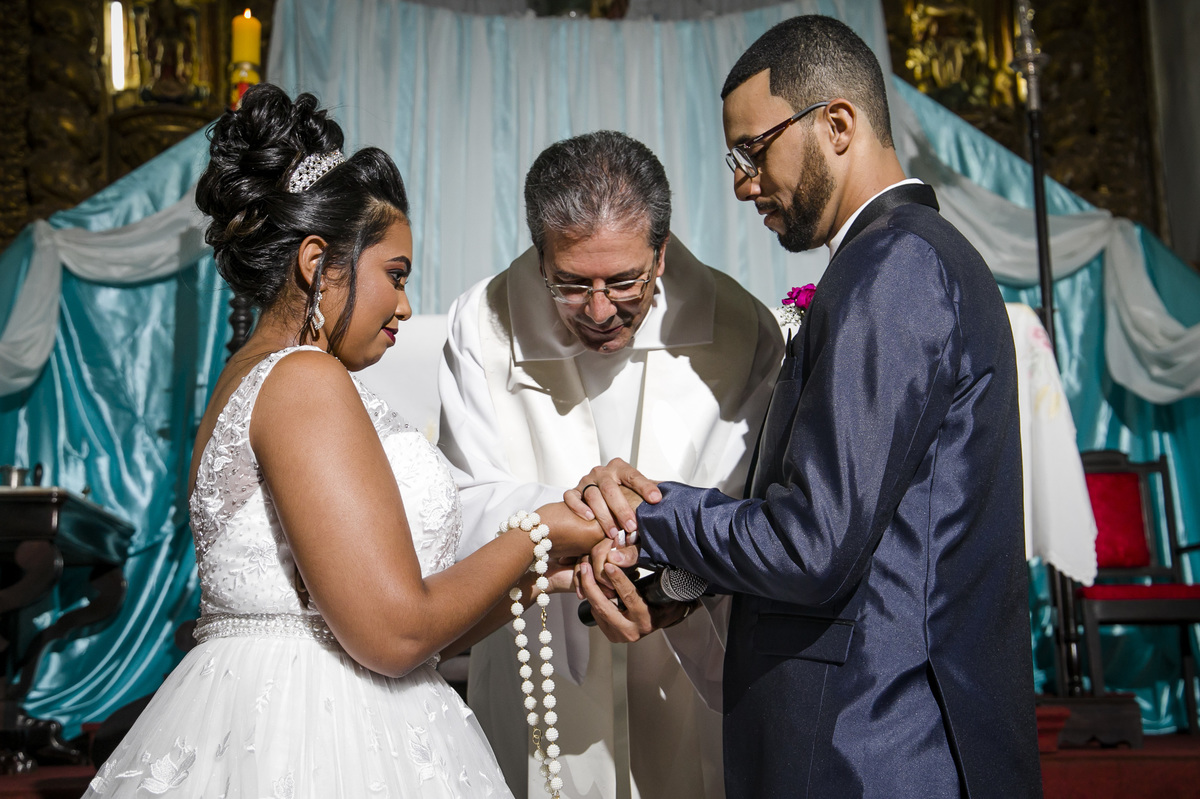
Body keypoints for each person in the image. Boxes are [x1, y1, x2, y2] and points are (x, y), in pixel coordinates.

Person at [83, 84, 604, 799]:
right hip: (319, 739)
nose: (405, 306)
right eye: (394, 275)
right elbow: (393, 635)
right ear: (317, 263)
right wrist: (537, 526)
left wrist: (544, 566)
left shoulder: (261, 376)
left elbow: (419, 632)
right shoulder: (303, 380)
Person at [573, 16, 1043, 799]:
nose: (741, 182)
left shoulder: (895, 266)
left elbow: (812, 542)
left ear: (836, 124)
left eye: (752, 150)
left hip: (874, 744)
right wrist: (680, 583)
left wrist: (646, 512)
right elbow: (880, 532)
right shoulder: (906, 258)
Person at [438, 130, 783, 798]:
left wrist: (669, 583)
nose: (599, 311)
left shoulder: (742, 332)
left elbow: (747, 516)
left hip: (683, 665)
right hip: (533, 662)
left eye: (623, 281)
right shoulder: (481, 326)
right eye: (570, 284)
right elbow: (461, 501)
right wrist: (585, 516)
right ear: (540, 254)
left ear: (661, 251)